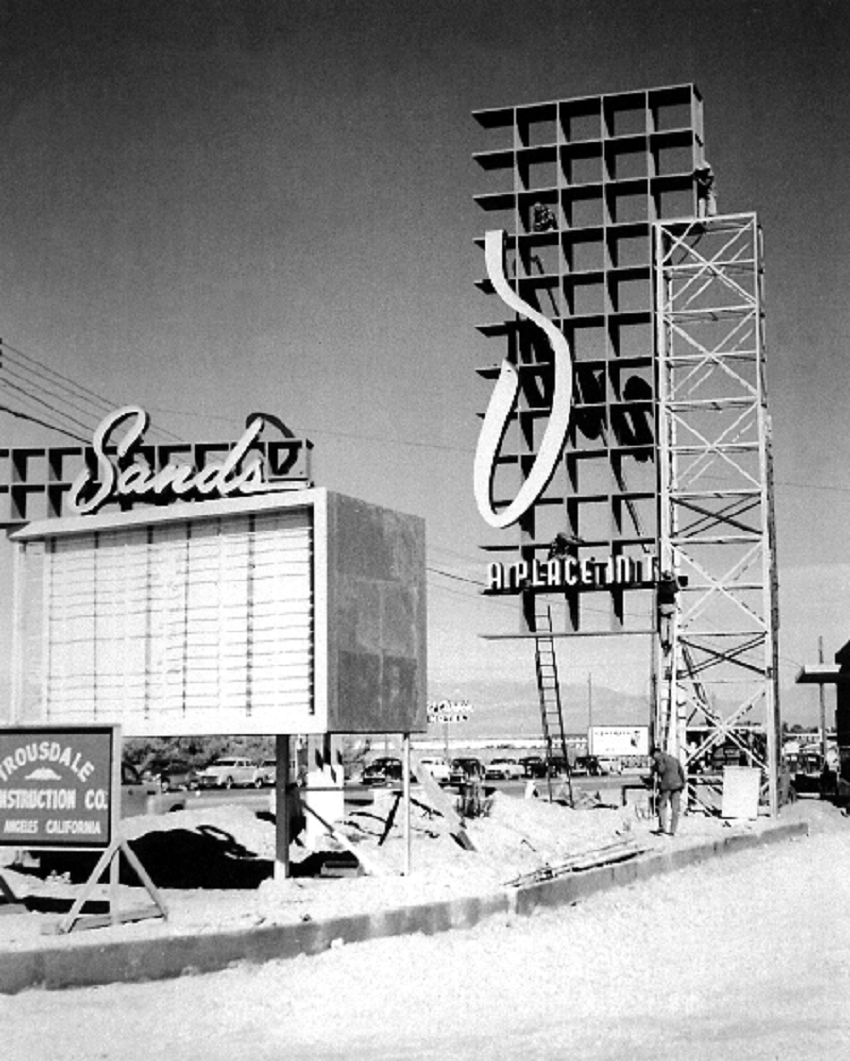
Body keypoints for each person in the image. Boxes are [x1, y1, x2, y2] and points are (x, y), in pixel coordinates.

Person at [650, 746, 686, 836]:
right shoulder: (673, 759)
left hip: (667, 786)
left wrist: (654, 768)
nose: (653, 758)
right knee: (675, 808)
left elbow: (661, 769)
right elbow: (681, 771)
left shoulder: (660, 759)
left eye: (653, 756)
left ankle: (662, 826)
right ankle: (673, 830)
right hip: (678, 785)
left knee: (662, 805)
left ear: (656, 754)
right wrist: (683, 784)